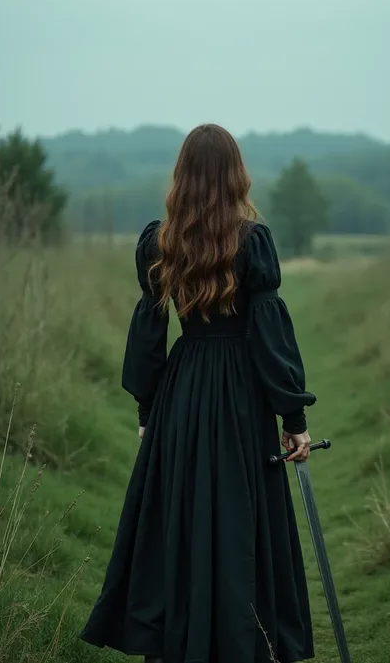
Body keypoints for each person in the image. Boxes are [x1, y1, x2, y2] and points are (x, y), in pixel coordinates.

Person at [80, 124, 316, 663]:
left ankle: (183, 640)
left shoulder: (161, 242)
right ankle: (243, 639)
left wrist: (148, 408)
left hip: (183, 393)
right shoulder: (252, 241)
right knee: (239, 516)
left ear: (182, 176)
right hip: (239, 397)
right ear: (236, 175)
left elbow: (148, 338)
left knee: (180, 515)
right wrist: (292, 416)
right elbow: (270, 339)